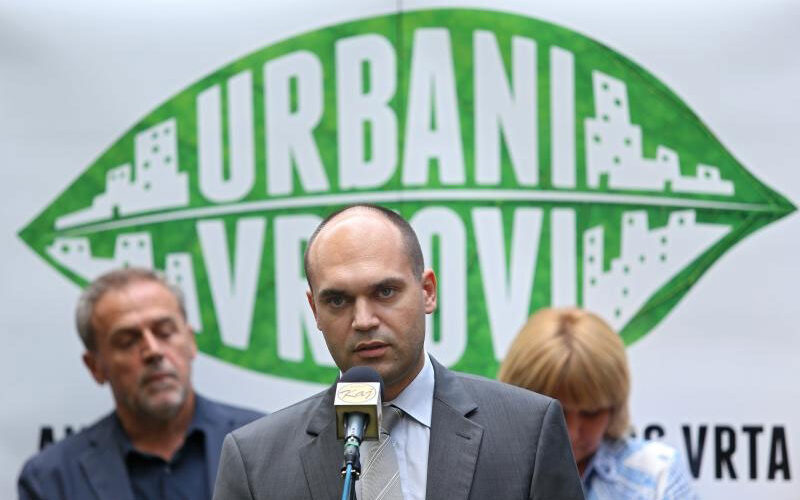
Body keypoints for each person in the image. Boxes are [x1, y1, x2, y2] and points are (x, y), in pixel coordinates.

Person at [213, 204, 584, 500]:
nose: (364, 320)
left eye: (385, 292)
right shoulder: (256, 462)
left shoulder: (527, 432)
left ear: (427, 292)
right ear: (315, 311)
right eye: (338, 300)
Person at [18, 268, 263, 500]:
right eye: (127, 341)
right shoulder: (52, 479)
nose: (153, 351)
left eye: (165, 332)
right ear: (95, 366)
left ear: (190, 341)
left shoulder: (264, 444)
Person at [498, 307, 698, 499]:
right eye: (555, 413)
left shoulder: (656, 475)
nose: (572, 433)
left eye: (591, 413)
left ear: (614, 407)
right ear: (515, 402)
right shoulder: (488, 469)